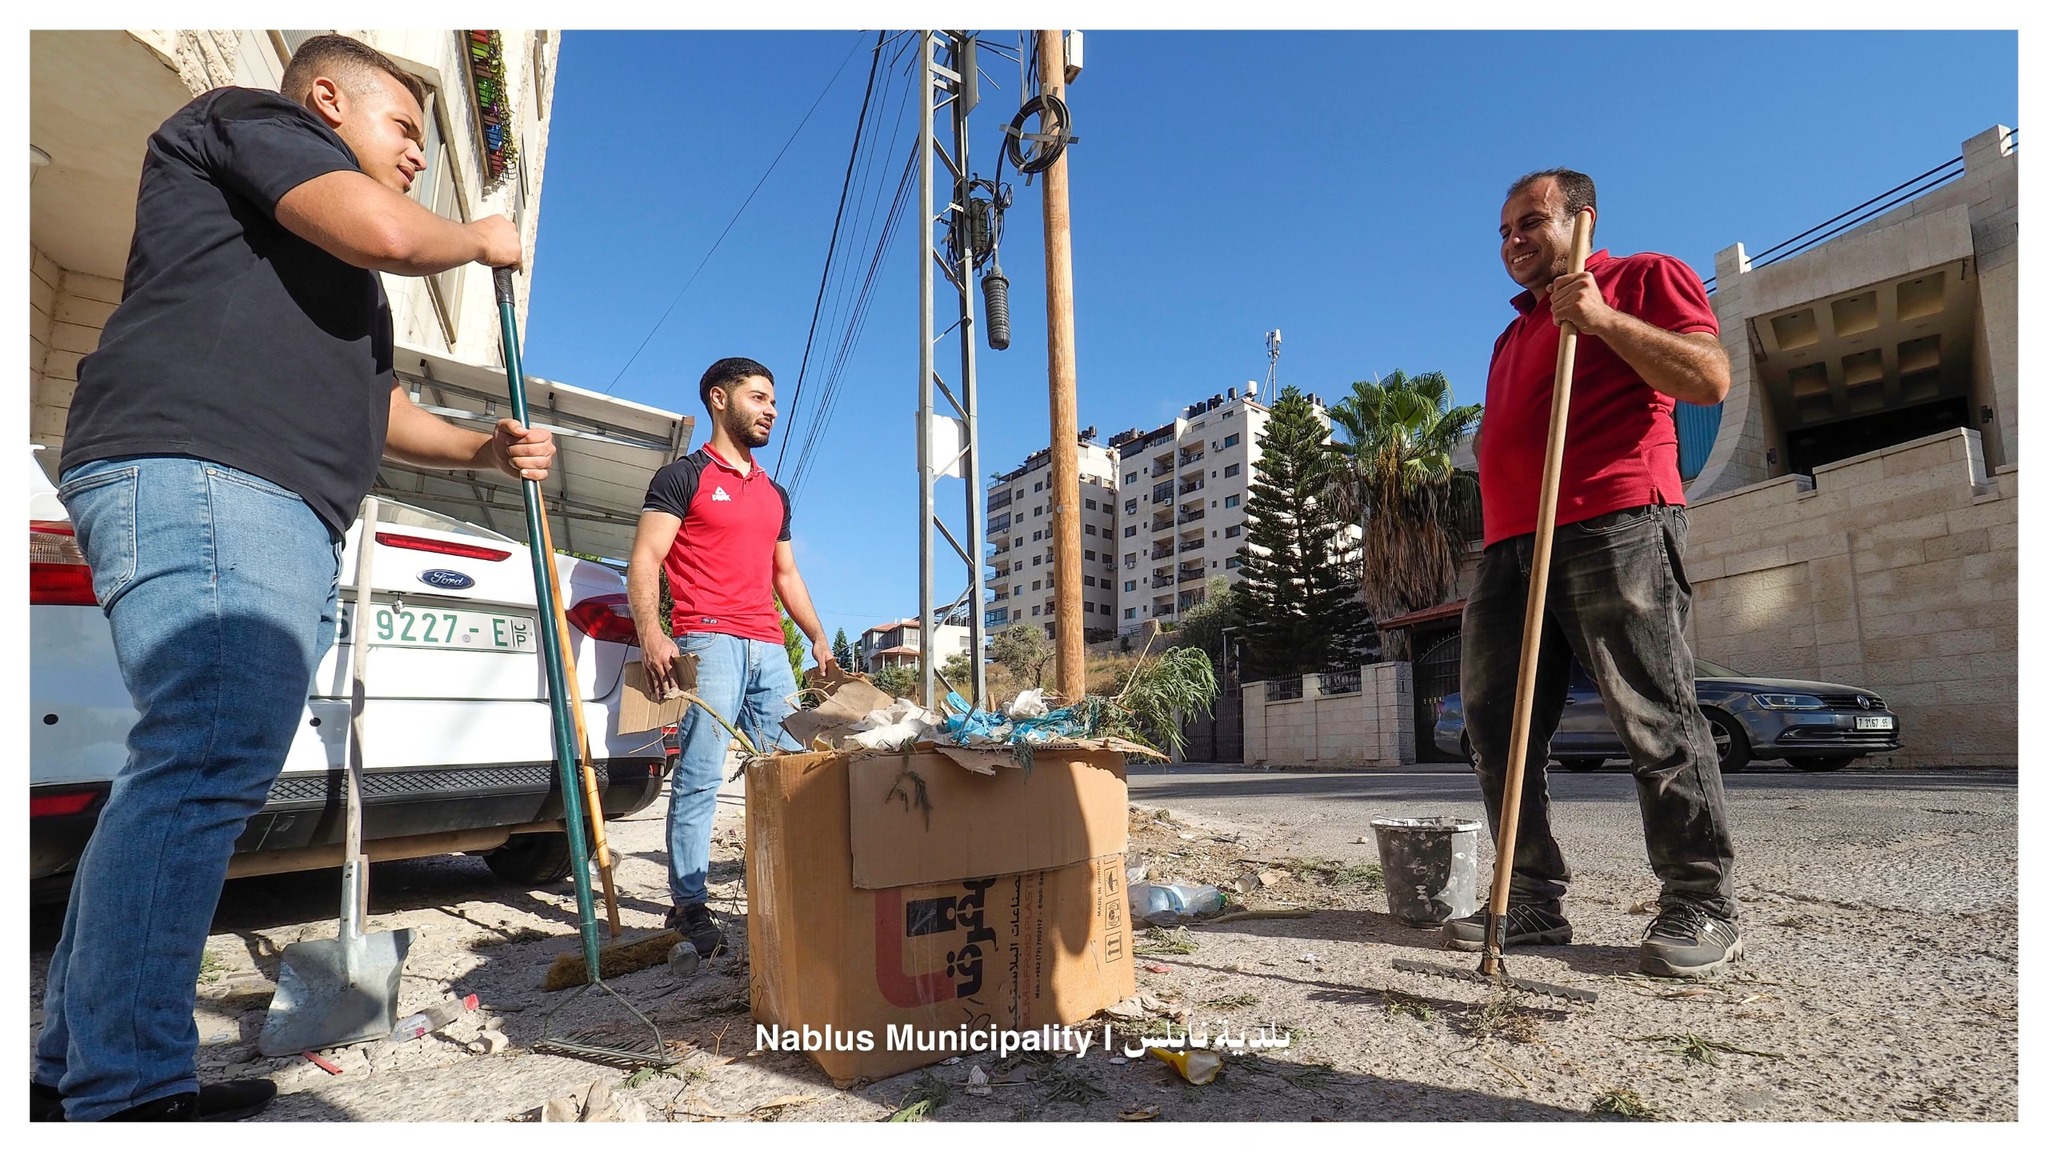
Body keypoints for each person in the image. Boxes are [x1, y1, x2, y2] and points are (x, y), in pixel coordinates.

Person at [33, 35, 553, 1122]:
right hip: (209, 473)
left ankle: (75, 1066)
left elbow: (379, 411)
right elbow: (389, 229)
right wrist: (477, 239)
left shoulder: (337, 277)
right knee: (205, 760)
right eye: (406, 127)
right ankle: (126, 1091)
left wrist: (484, 451)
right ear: (327, 100)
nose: (419, 156)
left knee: (191, 767)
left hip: (269, 502)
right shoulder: (253, 123)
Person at [1447, 168, 1740, 978]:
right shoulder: (1511, 335)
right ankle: (1529, 897)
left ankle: (1701, 900)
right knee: (1496, 731)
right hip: (1510, 547)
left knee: (1653, 715)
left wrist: (1603, 318)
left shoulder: (1642, 277)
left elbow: (1709, 378)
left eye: (1530, 222)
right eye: (1504, 231)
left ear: (1582, 220)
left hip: (1617, 522)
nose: (1513, 241)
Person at [626, 357, 840, 957]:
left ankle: (794, 889)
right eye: (758, 397)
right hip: (706, 639)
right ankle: (688, 905)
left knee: (792, 769)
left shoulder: (775, 494)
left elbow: (785, 573)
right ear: (719, 399)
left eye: (773, 400)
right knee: (699, 775)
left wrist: (818, 636)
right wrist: (652, 634)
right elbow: (645, 559)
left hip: (770, 648)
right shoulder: (682, 477)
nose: (771, 409)